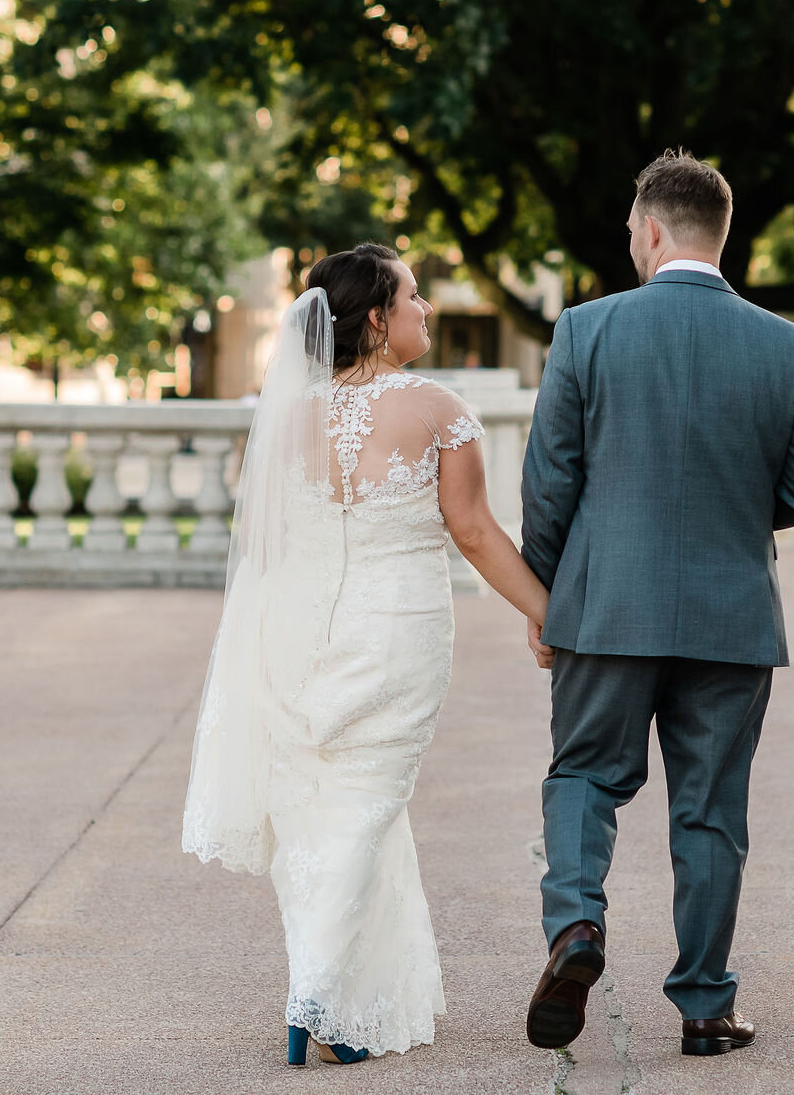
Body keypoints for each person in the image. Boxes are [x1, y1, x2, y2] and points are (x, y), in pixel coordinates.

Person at [181, 243, 550, 1067]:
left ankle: (350, 995)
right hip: (396, 633)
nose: (427, 311)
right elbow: (476, 532)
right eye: (414, 297)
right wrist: (546, 613)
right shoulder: (438, 408)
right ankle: (316, 994)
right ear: (378, 319)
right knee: (368, 802)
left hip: (298, 634)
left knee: (323, 806)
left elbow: (267, 547)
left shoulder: (284, 417)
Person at [519, 150, 794, 1058]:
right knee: (710, 810)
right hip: (732, 612)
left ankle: (577, 927)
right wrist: (735, 513)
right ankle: (705, 1007)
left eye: (630, 229)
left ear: (653, 230)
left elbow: (549, 484)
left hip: (606, 605)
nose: (629, 241)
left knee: (583, 775)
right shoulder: (786, 344)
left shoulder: (586, 330)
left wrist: (545, 598)